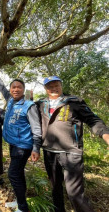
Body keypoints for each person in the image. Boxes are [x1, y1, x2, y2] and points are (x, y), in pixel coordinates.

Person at [36, 76, 109, 212]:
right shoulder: (40, 104)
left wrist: (105, 135)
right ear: (46, 89)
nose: (53, 88)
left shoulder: (74, 102)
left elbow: (92, 119)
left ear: (61, 86)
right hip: (49, 152)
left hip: (71, 152)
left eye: (56, 85)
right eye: (50, 86)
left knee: (74, 193)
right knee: (55, 189)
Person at [0, 70, 42, 212]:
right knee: (18, 173)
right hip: (13, 143)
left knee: (13, 174)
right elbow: (2, 89)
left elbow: (36, 127)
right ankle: (20, 202)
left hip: (23, 145)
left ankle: (23, 208)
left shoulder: (29, 105)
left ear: (23, 90)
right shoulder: (11, 102)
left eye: (19, 87)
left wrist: (36, 147)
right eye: (13, 87)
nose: (15, 89)